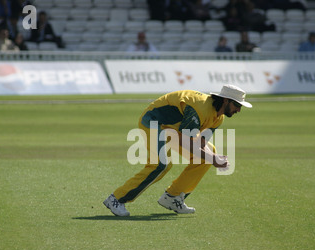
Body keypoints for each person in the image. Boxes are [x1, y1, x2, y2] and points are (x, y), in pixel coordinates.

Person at [103, 84, 252, 217]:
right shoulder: (200, 108)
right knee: (160, 165)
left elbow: (199, 143)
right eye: (237, 105)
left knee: (207, 154)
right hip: (154, 122)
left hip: (174, 130)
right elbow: (185, 141)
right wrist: (214, 159)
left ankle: (173, 197)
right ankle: (116, 199)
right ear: (225, 100)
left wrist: (213, 156)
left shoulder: (218, 117)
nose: (239, 109)